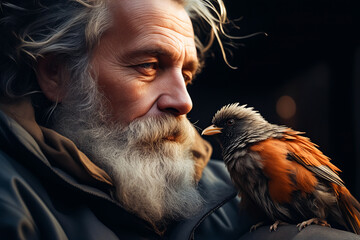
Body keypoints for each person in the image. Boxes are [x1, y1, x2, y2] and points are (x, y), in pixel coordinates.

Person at [0, 0, 359, 239]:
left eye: (187, 76)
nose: (184, 102)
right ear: (56, 75)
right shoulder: (11, 197)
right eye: (148, 66)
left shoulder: (230, 191)